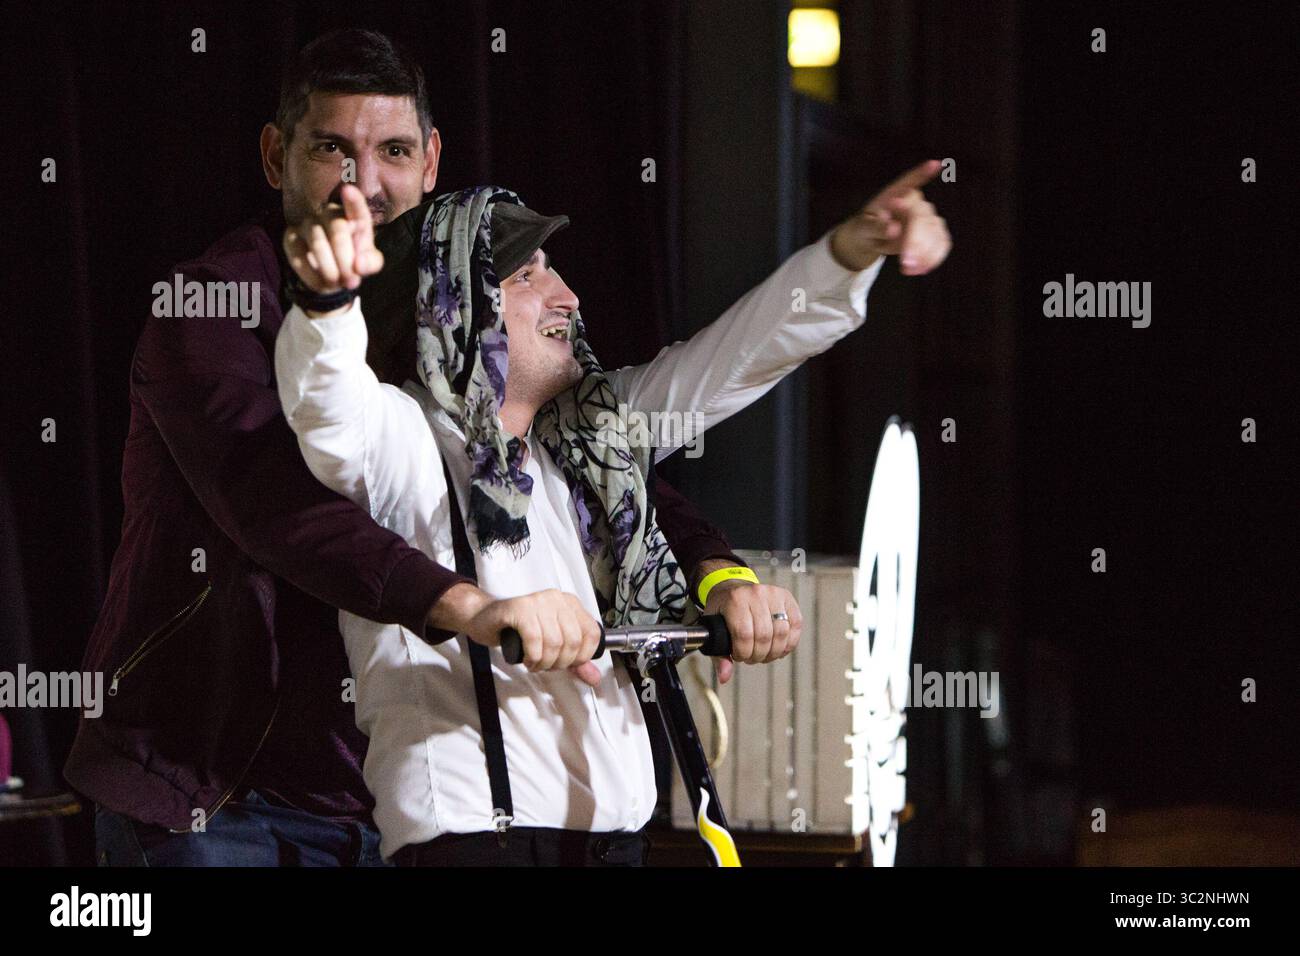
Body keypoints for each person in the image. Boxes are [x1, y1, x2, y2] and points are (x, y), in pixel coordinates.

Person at [68, 29, 761, 868]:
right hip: (216, 789)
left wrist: (715, 568)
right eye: (332, 148)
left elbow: (574, 459)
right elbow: (279, 510)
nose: (366, 182)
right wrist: (469, 607)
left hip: (383, 794)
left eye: (393, 150)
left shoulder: (451, 314)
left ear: (431, 161)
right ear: (275, 155)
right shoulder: (211, 306)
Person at [272, 167, 946, 864]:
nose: (568, 296)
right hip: (480, 847)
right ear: (455, 305)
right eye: (527, 277)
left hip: (615, 845)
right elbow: (327, 405)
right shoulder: (404, 441)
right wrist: (326, 305)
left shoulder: (584, 444)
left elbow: (734, 360)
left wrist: (852, 251)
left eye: (553, 270)